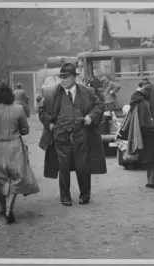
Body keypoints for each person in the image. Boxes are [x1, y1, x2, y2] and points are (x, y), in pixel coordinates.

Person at [38, 63, 106, 206]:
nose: (62, 80)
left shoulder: (88, 92)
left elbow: (99, 106)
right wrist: (50, 125)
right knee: (63, 166)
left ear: (74, 77)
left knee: (83, 166)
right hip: (60, 136)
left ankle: (84, 196)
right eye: (60, 77)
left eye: (65, 77)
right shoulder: (51, 93)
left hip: (81, 134)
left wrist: (90, 117)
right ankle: (65, 197)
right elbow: (42, 111)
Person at [0, 79, 39, 224]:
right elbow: (25, 130)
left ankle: (3, 207)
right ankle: (9, 209)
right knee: (15, 178)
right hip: (14, 146)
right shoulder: (18, 108)